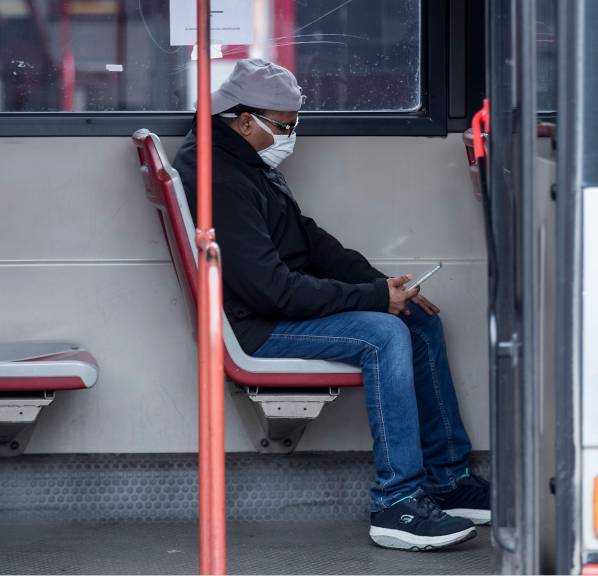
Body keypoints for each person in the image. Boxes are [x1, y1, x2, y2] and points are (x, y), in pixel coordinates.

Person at [172, 58, 490, 551]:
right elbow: (271, 291)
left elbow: (308, 240)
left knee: (416, 319)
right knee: (386, 333)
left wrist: (380, 285)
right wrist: (373, 300)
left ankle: (447, 480)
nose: (290, 137)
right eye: (284, 127)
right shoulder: (220, 179)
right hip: (255, 324)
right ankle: (395, 504)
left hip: (269, 306)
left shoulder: (241, 159)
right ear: (242, 120)